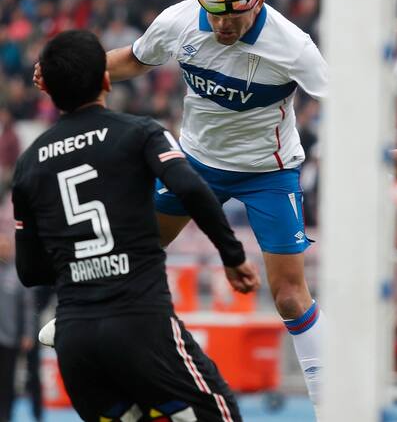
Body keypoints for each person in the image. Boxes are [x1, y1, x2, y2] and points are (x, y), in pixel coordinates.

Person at [34, 0, 397, 418]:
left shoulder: (292, 45)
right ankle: (76, 317)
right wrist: (71, 74)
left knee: (289, 295)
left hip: (269, 172)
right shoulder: (179, 22)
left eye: (237, 14)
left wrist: (381, 152)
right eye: (216, 14)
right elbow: (131, 60)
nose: (225, 24)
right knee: (128, 248)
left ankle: (334, 405)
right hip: (196, 163)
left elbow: (342, 105)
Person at [15, 30, 261, 421]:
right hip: (140, 322)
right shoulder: (139, 133)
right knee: (221, 413)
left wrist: (79, 265)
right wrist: (232, 255)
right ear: (107, 80)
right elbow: (190, 188)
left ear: (50, 92)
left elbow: (30, 271)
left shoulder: (29, 163)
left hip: (76, 338)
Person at [0, 235, 34, 422]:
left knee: (7, 380)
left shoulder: (17, 273)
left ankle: (6, 415)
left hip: (10, 337)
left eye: (5, 246)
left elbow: (28, 307)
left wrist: (28, 334)